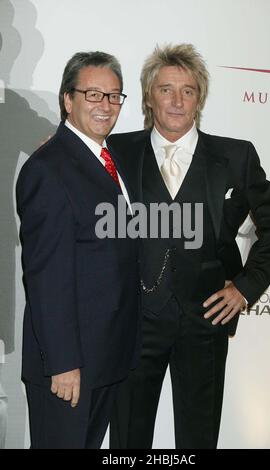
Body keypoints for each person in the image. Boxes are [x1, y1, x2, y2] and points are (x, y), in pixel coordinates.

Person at [108, 43, 270, 449]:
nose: (177, 100)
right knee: (126, 442)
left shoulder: (235, 156)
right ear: (149, 97)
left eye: (187, 90)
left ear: (199, 99)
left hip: (205, 324)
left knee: (198, 441)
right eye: (166, 89)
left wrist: (245, 288)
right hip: (135, 324)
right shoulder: (117, 151)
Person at [16, 51, 140, 449]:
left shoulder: (112, 158)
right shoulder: (48, 168)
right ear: (67, 100)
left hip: (106, 359)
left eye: (114, 96)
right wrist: (64, 362)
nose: (105, 105)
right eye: (93, 94)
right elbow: (45, 278)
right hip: (68, 369)